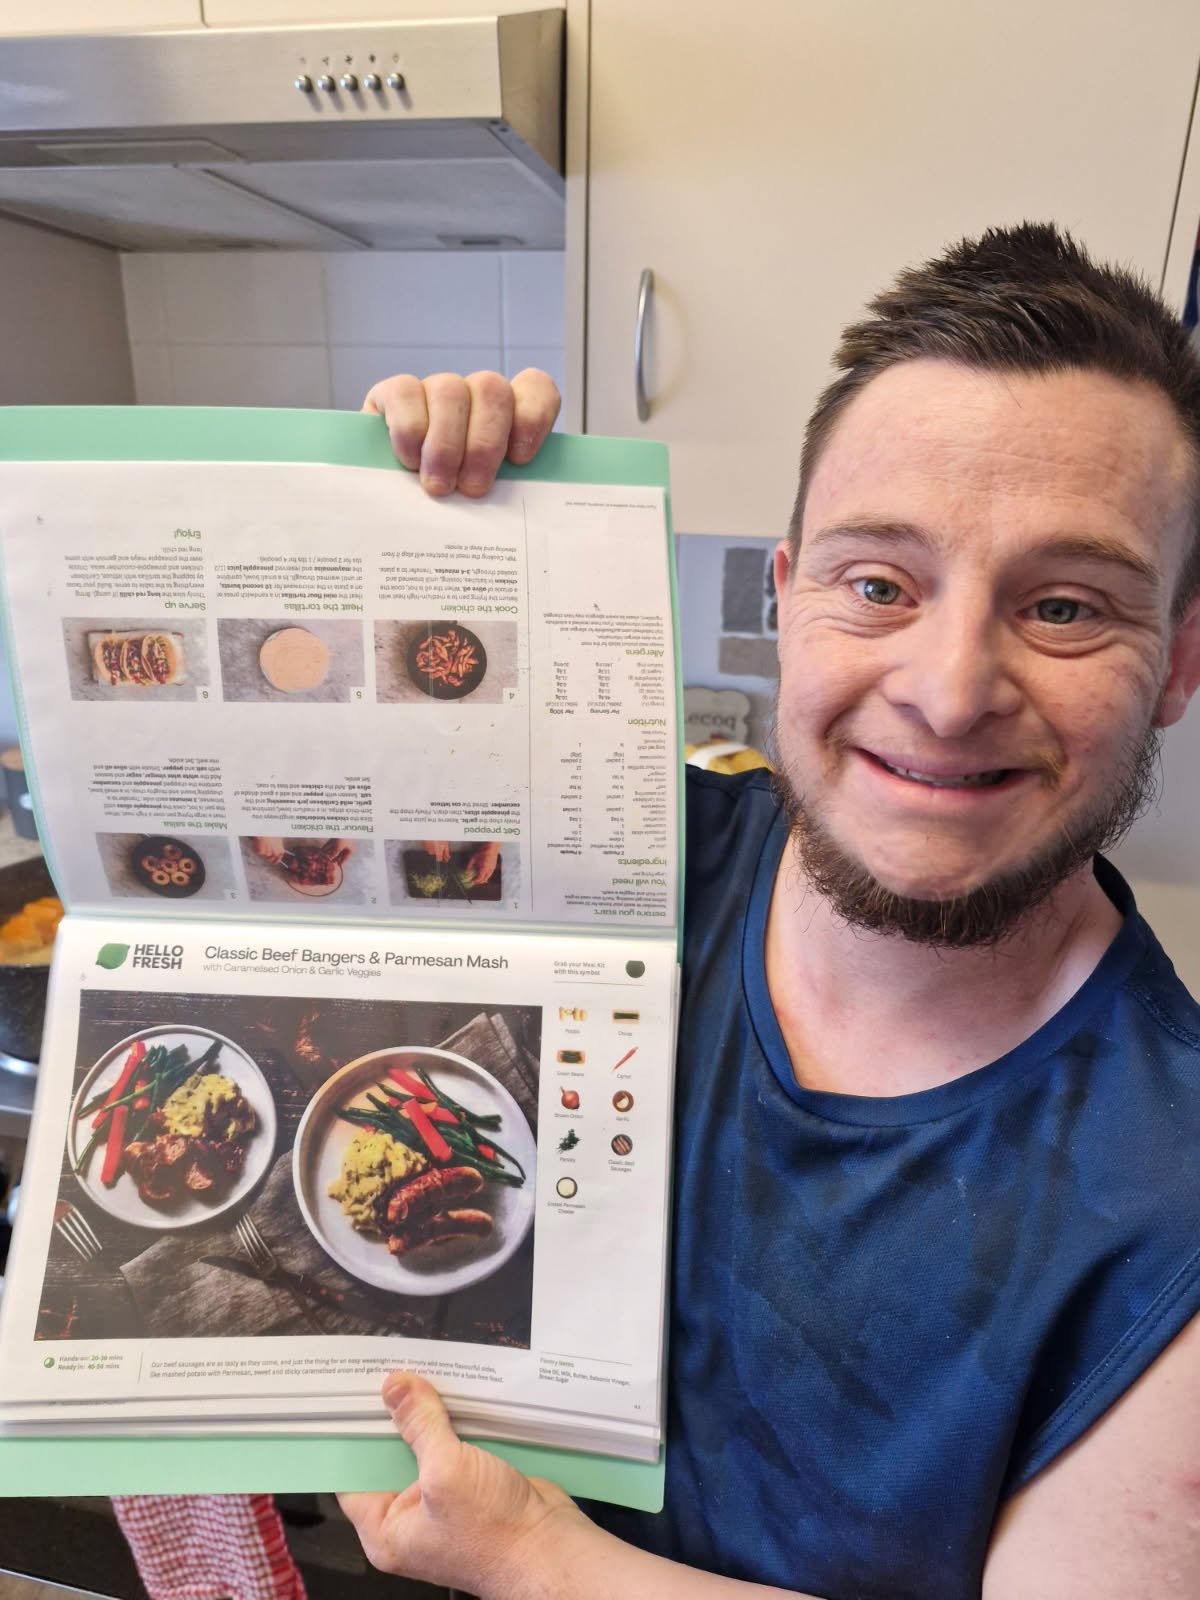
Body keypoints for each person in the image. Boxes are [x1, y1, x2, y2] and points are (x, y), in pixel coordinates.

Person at [338, 224, 1200, 1599]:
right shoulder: (612, 859)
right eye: (880, 585)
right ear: (788, 598)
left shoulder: (1166, 1218)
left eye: (1063, 606)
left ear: (1178, 663)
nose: (948, 691)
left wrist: (536, 1562)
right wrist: (402, 518)